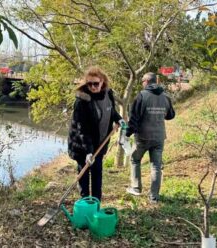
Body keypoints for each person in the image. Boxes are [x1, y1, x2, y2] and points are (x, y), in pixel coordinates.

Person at [68, 66, 124, 201]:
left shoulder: (108, 94)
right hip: (82, 145)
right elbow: (82, 128)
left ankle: (96, 203)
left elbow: (111, 111)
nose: (93, 87)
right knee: (84, 175)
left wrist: (118, 119)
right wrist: (88, 151)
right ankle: (85, 203)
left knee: (97, 173)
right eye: (89, 84)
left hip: (100, 143)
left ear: (102, 82)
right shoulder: (82, 101)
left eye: (96, 83)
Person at [125, 72, 175, 204]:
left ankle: (136, 187)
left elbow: (134, 118)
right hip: (159, 137)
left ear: (146, 81)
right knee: (156, 166)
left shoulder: (142, 96)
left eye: (142, 81)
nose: (142, 83)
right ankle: (154, 197)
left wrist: (127, 133)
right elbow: (170, 115)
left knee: (135, 159)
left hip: (143, 137)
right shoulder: (165, 96)